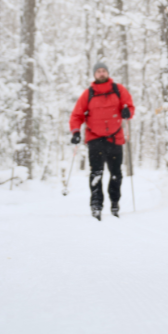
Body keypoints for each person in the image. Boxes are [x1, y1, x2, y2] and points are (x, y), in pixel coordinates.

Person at [69, 63, 135, 221]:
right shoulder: (88, 94)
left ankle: (114, 204)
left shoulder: (118, 90)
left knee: (116, 174)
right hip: (95, 139)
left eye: (103, 70)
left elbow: (130, 107)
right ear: (94, 75)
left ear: (107, 73)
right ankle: (96, 206)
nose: (101, 73)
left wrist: (127, 112)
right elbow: (77, 115)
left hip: (115, 138)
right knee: (96, 174)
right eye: (98, 71)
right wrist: (76, 131)